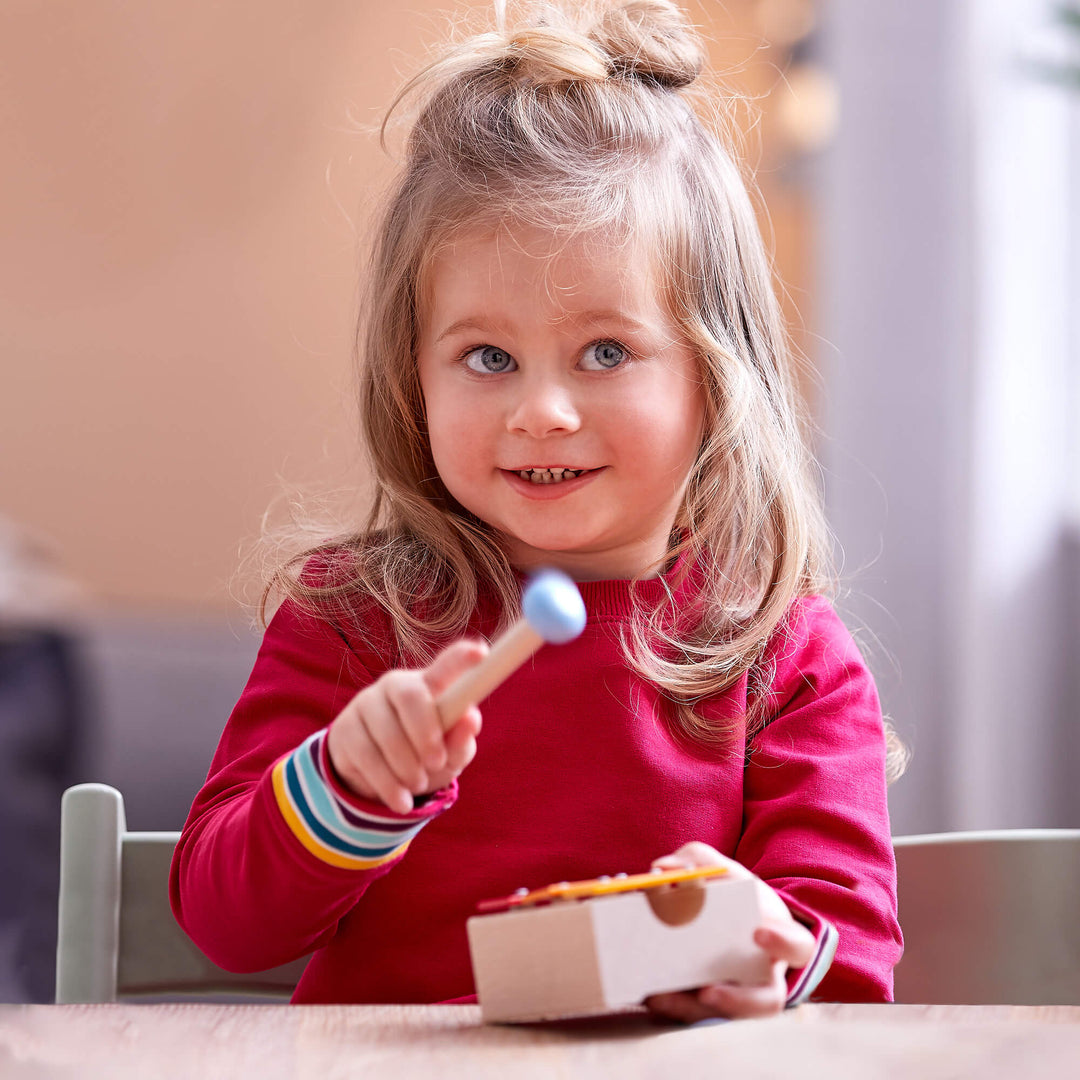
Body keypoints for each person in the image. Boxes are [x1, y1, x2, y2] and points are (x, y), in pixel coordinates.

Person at [170, 0, 903, 1021]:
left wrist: (766, 955)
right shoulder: (354, 622)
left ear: (714, 378)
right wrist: (346, 785)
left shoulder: (788, 660)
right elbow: (223, 925)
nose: (542, 412)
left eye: (605, 352)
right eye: (488, 357)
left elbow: (851, 973)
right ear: (413, 381)